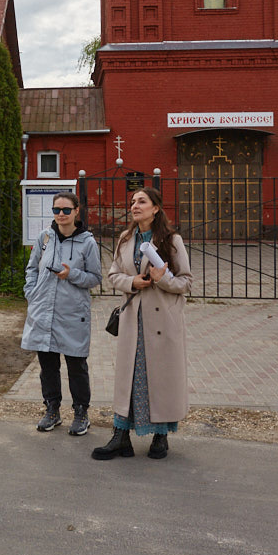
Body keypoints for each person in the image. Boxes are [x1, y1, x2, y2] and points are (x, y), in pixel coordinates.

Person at [92, 186, 192, 460]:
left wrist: (162, 279)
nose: (135, 206)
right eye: (133, 201)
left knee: (161, 378)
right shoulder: (126, 238)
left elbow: (186, 281)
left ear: (155, 208)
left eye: (142, 201)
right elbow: (113, 274)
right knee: (130, 376)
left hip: (162, 320)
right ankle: (120, 435)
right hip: (133, 317)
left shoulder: (172, 240)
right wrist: (132, 282)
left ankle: (161, 437)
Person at [21, 191, 102, 436]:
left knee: (76, 364)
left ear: (77, 211)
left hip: (71, 312)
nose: (61, 215)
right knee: (48, 364)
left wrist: (72, 275)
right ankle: (52, 409)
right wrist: (31, 293)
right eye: (57, 210)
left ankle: (80, 413)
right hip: (43, 311)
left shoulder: (87, 242)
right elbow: (32, 268)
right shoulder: (45, 237)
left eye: (66, 210)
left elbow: (95, 278)